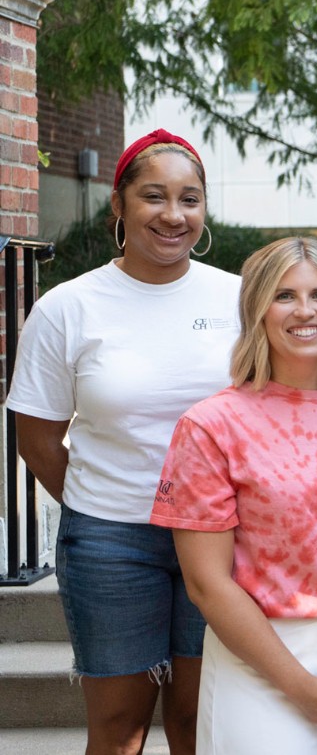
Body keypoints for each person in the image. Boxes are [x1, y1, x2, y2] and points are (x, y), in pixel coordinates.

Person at [7, 129, 240, 755]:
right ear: (119, 205)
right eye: (154, 197)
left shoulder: (239, 298)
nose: (173, 214)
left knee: (201, 722)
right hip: (111, 540)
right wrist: (106, 497)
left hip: (220, 535)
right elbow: (38, 438)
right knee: (120, 732)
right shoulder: (69, 307)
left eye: (190, 199)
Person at [151, 237, 317, 753]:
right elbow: (207, 584)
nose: (305, 311)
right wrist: (299, 687)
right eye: (284, 295)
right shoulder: (210, 426)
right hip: (262, 665)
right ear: (256, 309)